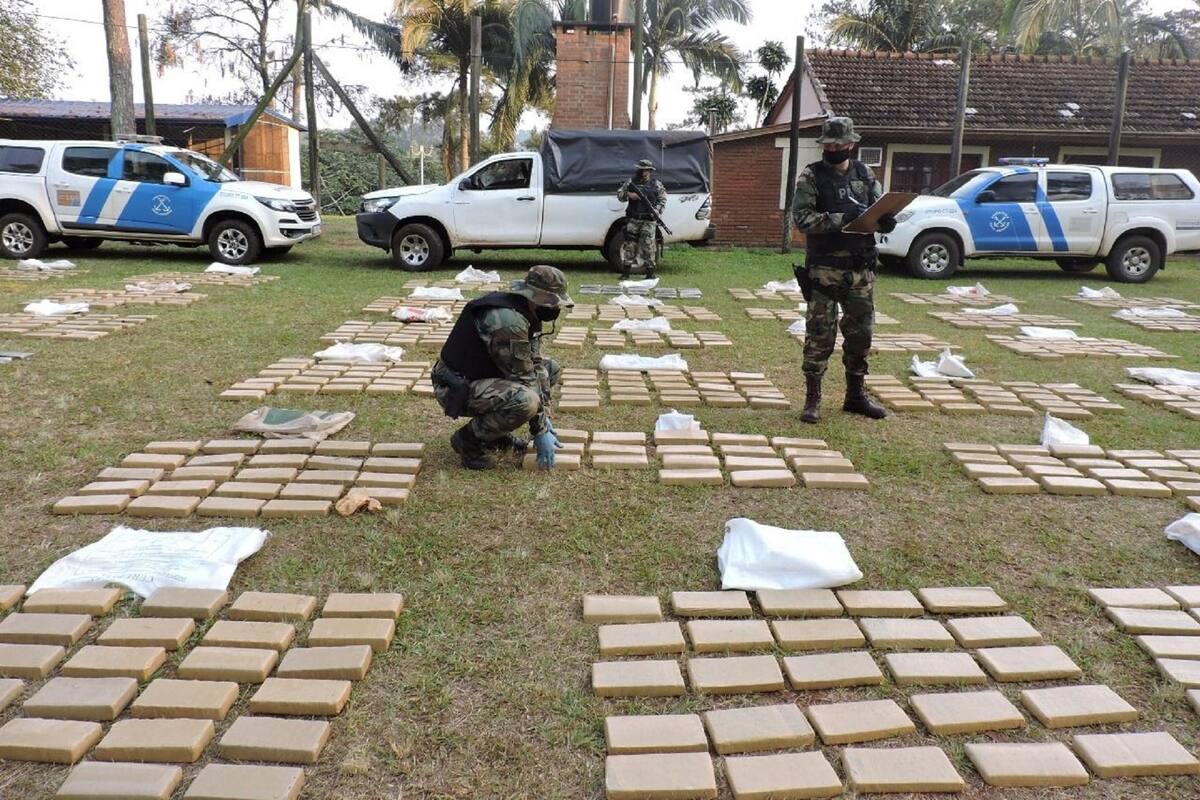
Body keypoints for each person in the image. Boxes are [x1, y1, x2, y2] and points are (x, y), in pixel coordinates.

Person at [792, 116, 896, 424]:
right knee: (819, 336)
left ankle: (855, 396)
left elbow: (880, 207)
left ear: (851, 144)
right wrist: (839, 218)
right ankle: (813, 399)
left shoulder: (865, 175)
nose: (834, 149)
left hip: (860, 271)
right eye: (829, 144)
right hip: (824, 270)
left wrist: (886, 219)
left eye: (839, 144)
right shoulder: (811, 176)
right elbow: (802, 219)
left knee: (860, 336)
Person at [431, 265, 572, 470]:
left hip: (484, 377)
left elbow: (536, 365)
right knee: (526, 401)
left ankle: (493, 435)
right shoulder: (509, 322)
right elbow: (524, 377)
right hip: (455, 386)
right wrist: (539, 430)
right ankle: (468, 440)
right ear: (536, 297)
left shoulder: (527, 311)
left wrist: (546, 416)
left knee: (552, 368)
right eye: (552, 302)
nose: (555, 308)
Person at [617, 158, 667, 279]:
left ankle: (650, 273)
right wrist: (629, 194)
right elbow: (620, 196)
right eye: (643, 170)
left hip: (648, 220)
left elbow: (663, 199)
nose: (645, 173)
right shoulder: (631, 183)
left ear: (650, 171)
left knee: (649, 246)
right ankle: (626, 273)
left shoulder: (656, 184)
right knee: (630, 246)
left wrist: (657, 210)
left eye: (647, 170)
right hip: (633, 219)